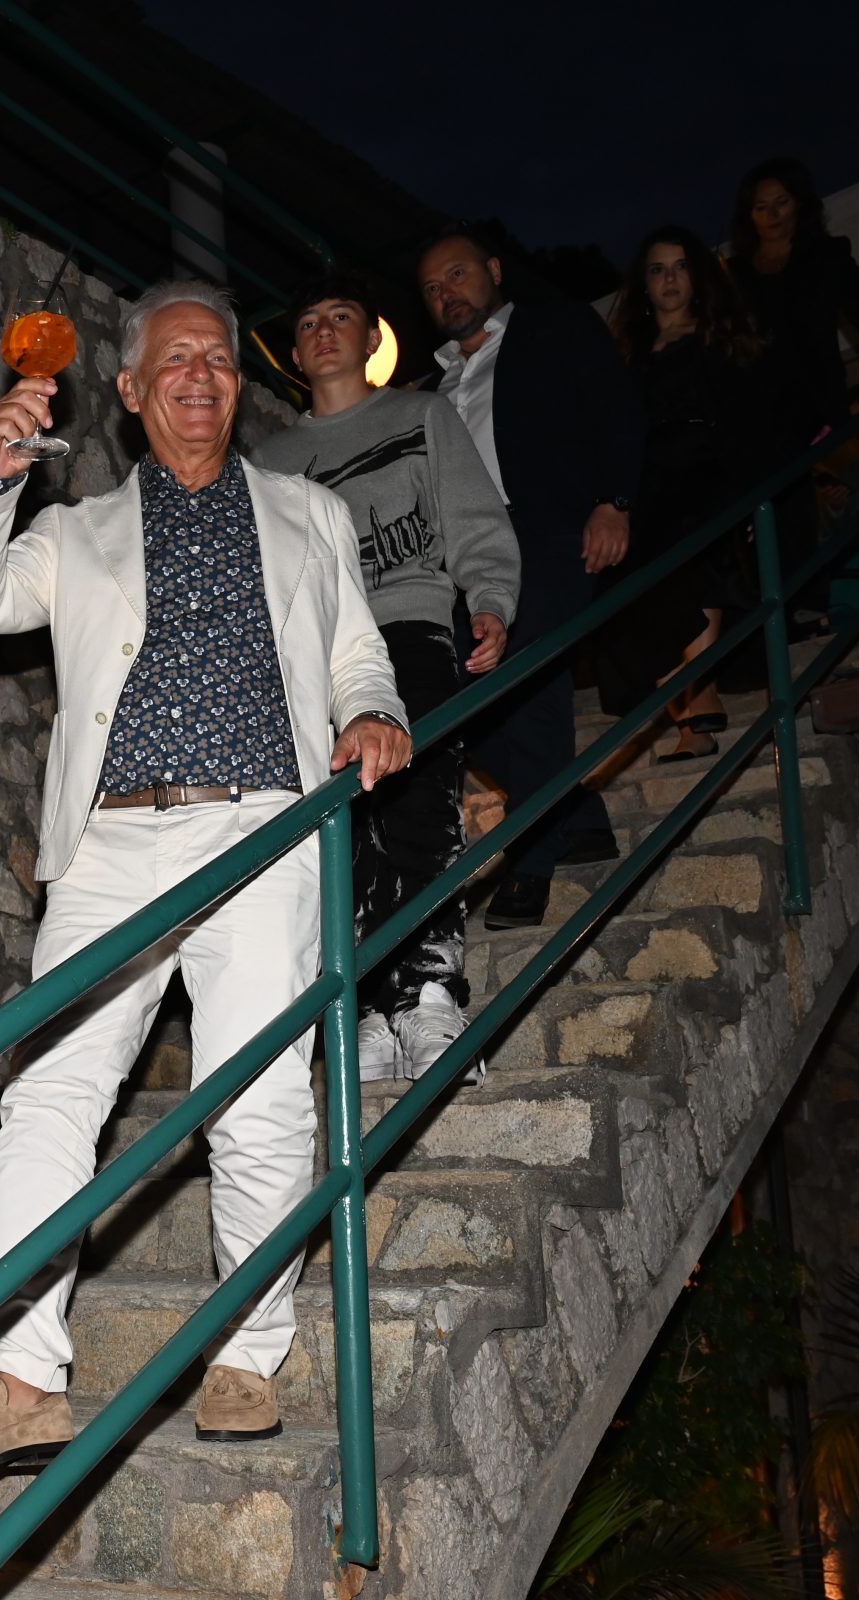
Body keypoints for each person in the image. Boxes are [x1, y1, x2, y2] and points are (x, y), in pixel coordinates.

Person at [0, 280, 411, 1470]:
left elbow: (355, 651)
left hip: (265, 827)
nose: (199, 375)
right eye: (174, 360)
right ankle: (22, 1379)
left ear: (238, 385)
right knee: (47, 1093)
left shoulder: (308, 513)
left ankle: (244, 1352)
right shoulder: (76, 532)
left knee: (259, 1092)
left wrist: (373, 710)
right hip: (110, 844)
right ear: (128, 391)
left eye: (218, 359)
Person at [249, 265, 519, 1081]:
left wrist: (490, 600)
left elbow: (473, 514)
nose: (323, 331)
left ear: (373, 338)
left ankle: (432, 994)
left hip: (409, 626)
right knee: (347, 832)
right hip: (318, 656)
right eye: (308, 323)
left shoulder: (420, 414)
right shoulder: (270, 464)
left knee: (420, 802)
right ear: (295, 353)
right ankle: (372, 1006)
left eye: (341, 317)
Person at [418, 227, 644, 929]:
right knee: (452, 704)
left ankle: (531, 860)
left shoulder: (554, 329)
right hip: (465, 556)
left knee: (529, 681)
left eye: (458, 274)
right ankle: (576, 812)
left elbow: (616, 405)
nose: (447, 293)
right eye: (432, 288)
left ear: (493, 270)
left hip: (549, 533)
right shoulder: (429, 389)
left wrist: (614, 500)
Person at [604, 225, 787, 758]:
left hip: (707, 476)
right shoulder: (627, 354)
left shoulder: (719, 338)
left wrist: (750, 488)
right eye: (658, 269)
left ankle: (699, 700)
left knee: (700, 570)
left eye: (681, 266)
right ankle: (688, 709)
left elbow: (752, 420)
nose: (669, 279)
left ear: (698, 276)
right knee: (639, 588)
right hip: (646, 484)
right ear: (643, 282)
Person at [727, 158, 859, 445]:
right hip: (757, 404)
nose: (772, 214)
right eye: (760, 207)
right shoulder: (733, 275)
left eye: (782, 202)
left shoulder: (826, 256)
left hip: (814, 401)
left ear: (800, 203)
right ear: (749, 215)